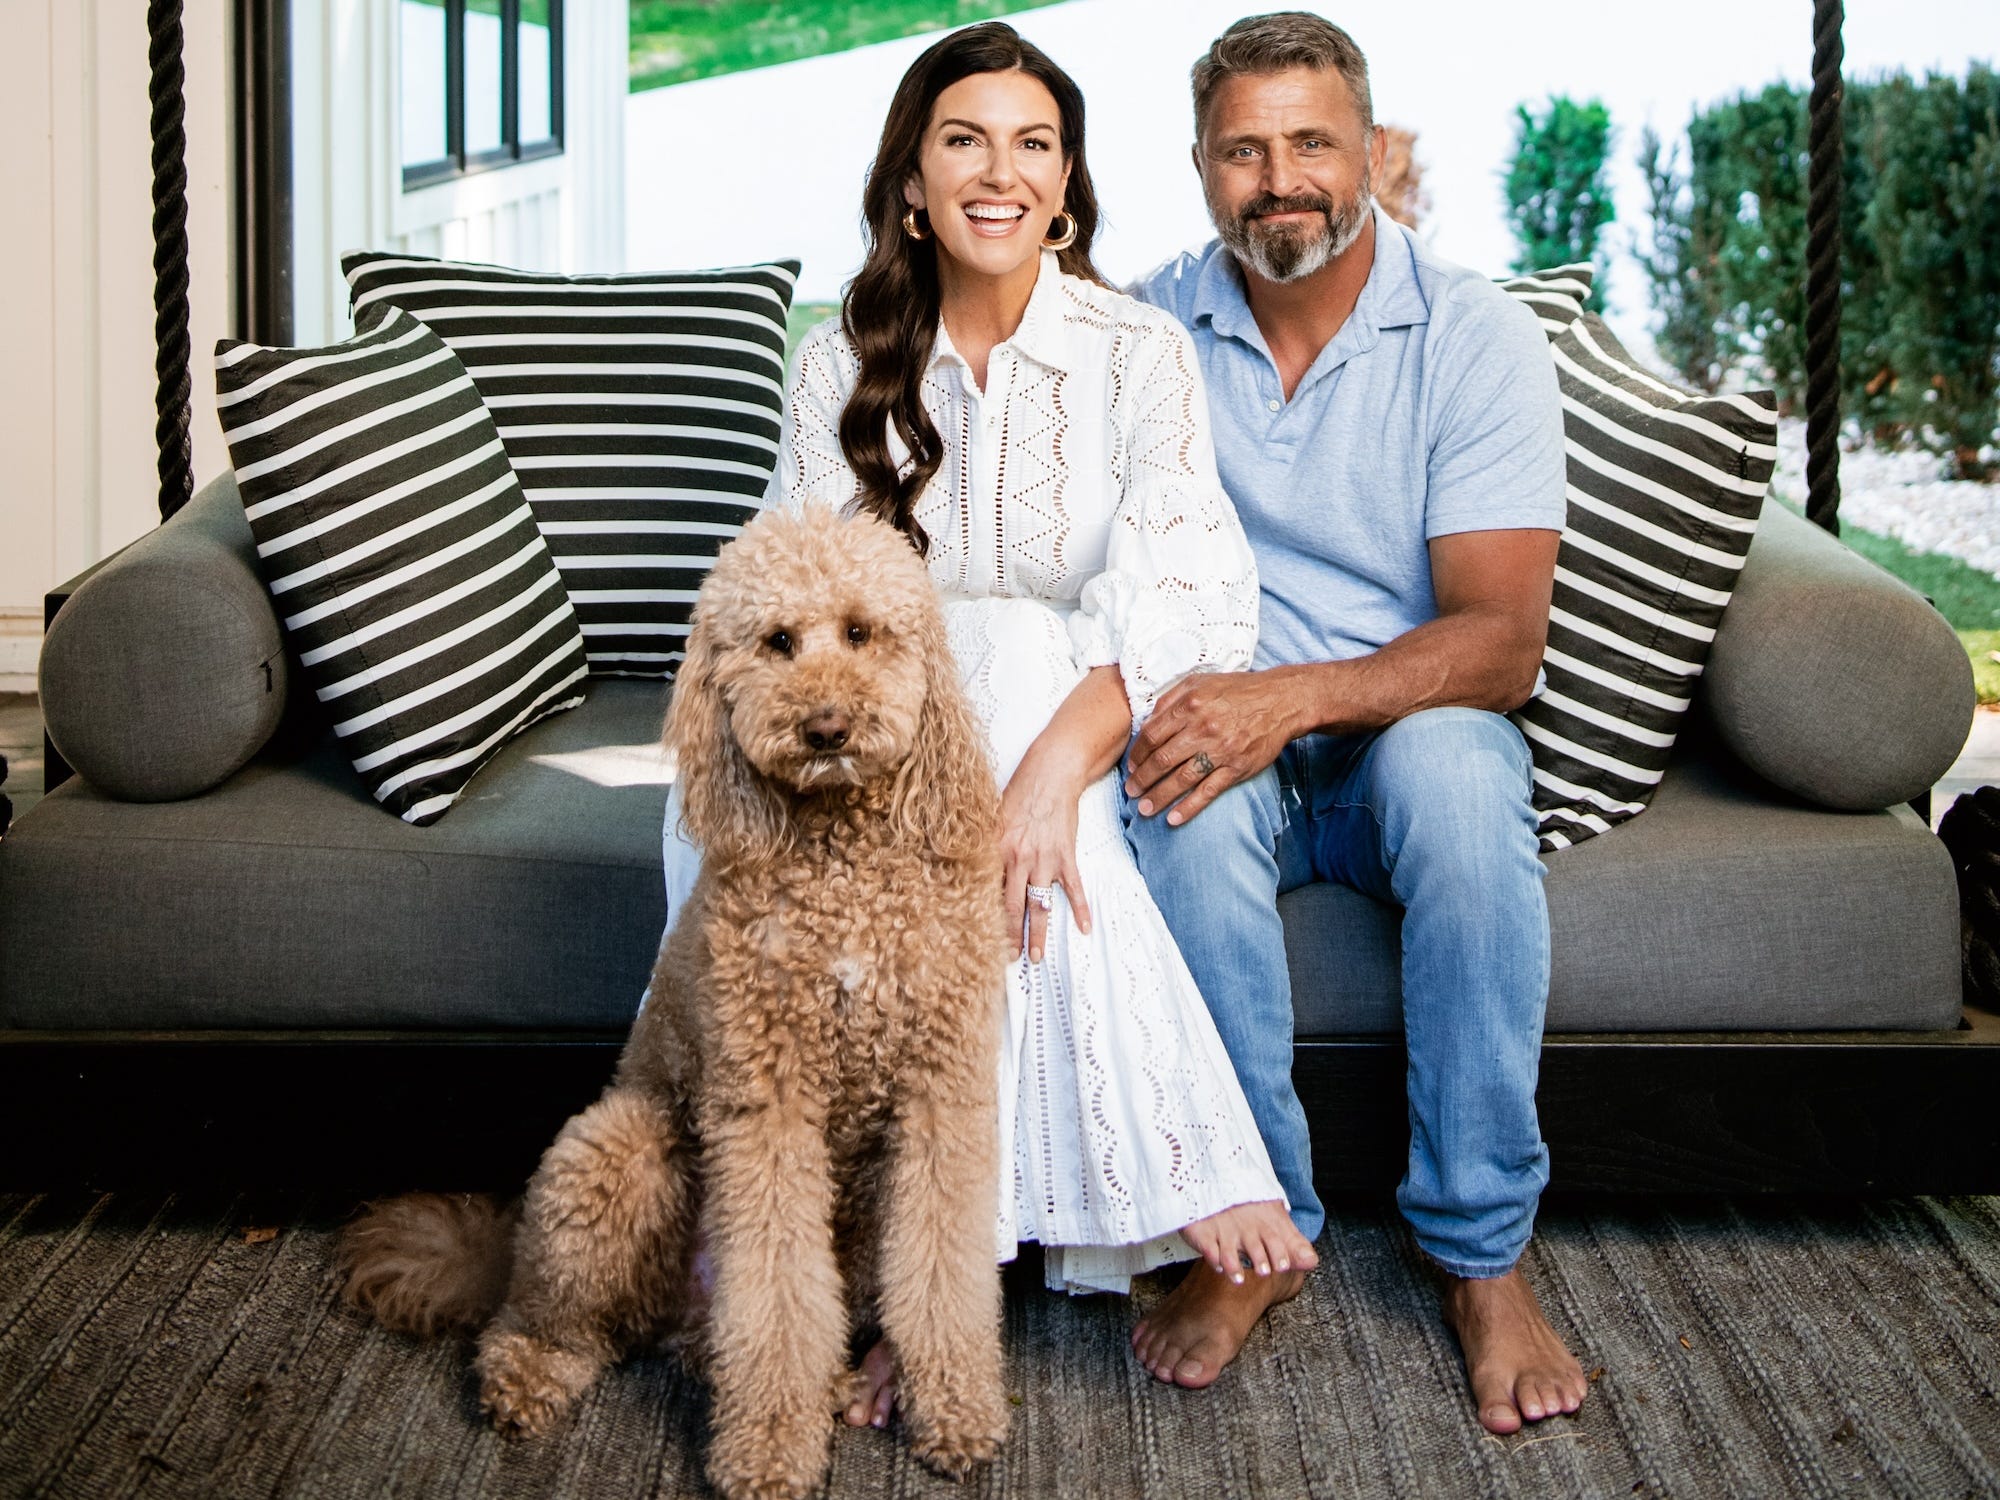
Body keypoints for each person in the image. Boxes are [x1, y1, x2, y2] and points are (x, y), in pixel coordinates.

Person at [659, 21, 1318, 1427]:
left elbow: (1184, 579)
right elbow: (798, 589)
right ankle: (1171, 1178)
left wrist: (1047, 778)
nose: (1000, 172)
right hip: (866, 715)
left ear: (1067, 183)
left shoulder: (1135, 350)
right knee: (727, 805)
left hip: (1070, 699)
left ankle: (952, 1276)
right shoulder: (837, 358)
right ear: (912, 181)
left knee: (1018, 713)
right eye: (965, 141)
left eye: (1035, 145)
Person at [1124, 12, 1589, 1434]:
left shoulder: (1473, 337)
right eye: (1243, 150)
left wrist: (1301, 696)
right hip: (1227, 728)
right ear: (1201, 168)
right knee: (1177, 797)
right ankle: (1253, 1224)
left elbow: (1504, 645)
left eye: (1312, 142)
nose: (1281, 180)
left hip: (1405, 726)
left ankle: (1480, 1252)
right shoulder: (1146, 333)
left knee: (1460, 779)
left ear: (1374, 153)